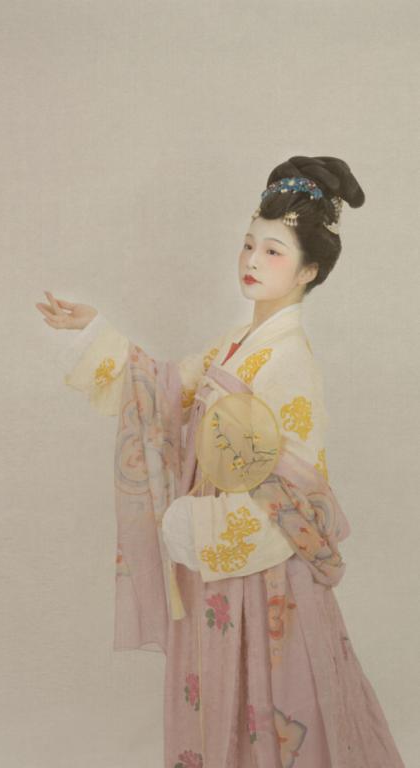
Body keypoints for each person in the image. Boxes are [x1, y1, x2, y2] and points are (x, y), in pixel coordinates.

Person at [35, 156, 405, 768]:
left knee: (272, 700)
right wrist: (95, 333)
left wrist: (199, 526)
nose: (252, 261)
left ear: (309, 270)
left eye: (273, 252)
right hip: (216, 561)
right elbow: (167, 388)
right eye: (248, 245)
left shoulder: (291, 362)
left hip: (262, 571)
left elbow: (296, 498)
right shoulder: (235, 345)